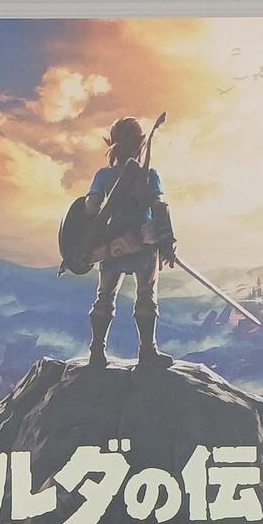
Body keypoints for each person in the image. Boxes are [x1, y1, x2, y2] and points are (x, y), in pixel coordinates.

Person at [83, 116, 176, 370]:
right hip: (144, 243)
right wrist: (167, 243)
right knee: (146, 296)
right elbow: (159, 207)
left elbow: (90, 208)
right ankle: (147, 352)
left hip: (112, 244)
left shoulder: (103, 175)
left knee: (104, 297)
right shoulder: (149, 175)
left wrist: (91, 238)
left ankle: (96, 352)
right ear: (140, 143)